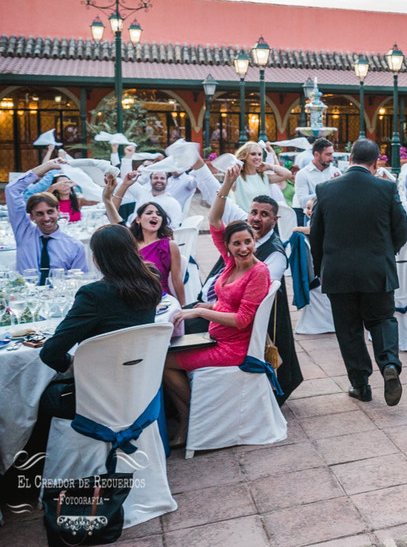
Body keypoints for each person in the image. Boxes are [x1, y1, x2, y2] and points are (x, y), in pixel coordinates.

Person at [24, 225, 161, 481]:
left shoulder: (94, 295)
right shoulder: (151, 280)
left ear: (97, 259)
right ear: (132, 250)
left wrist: (75, 364)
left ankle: (33, 475)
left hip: (99, 397)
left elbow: (51, 353)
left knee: (38, 396)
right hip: (140, 390)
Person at [187, 161, 302, 403]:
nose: (257, 218)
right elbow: (215, 217)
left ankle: (188, 404)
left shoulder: (273, 256)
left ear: (275, 219)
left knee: (176, 336)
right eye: (253, 212)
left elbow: (251, 306)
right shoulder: (245, 233)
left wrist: (208, 309)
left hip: (232, 325)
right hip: (213, 307)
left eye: (264, 214)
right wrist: (227, 184)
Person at [163, 201, 272, 446]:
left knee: (164, 364)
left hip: (232, 348)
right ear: (229, 247)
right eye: (237, 243)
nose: (244, 248)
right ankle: (191, 418)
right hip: (216, 339)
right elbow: (213, 224)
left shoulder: (258, 272)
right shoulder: (233, 263)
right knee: (166, 352)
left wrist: (201, 314)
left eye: (248, 242)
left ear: (255, 241)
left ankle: (194, 417)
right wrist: (208, 306)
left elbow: (242, 320)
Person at [312, 139, 407, 406]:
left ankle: (360, 384)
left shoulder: (325, 189)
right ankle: (389, 364)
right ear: (376, 162)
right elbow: (403, 229)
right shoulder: (386, 188)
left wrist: (321, 269)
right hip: (377, 271)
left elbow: (316, 236)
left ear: (350, 157)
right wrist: (386, 253)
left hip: (338, 273)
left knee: (349, 329)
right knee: (382, 320)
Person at [4, 159, 88, 283]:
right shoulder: (24, 233)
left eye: (50, 212)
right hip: (27, 297)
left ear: (58, 211)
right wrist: (47, 167)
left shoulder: (75, 247)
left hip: (58, 299)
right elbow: (12, 189)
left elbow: (79, 283)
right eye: (39, 214)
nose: (46, 218)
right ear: (31, 217)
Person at [104, 174, 185, 300]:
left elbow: (177, 279)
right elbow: (112, 215)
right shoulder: (129, 240)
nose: (154, 216)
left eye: (158, 214)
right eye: (149, 213)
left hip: (160, 297)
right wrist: (122, 187)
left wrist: (183, 306)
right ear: (138, 220)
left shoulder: (169, 245)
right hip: (130, 296)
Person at [113, 170, 185, 229]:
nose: (159, 180)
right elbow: (127, 178)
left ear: (167, 182)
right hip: (133, 233)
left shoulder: (173, 203)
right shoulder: (142, 193)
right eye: (155, 178)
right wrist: (128, 157)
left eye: (162, 178)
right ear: (150, 181)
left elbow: (174, 227)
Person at [292, 138, 341, 222]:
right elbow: (303, 202)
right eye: (328, 155)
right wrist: (328, 190)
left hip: (333, 217)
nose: (332, 158)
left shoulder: (336, 172)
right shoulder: (303, 174)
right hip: (311, 218)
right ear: (316, 154)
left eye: (332, 154)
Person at [232, 140, 292, 209]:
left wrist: (269, 166)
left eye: (259, 154)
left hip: (265, 218)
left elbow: (287, 174)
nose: (257, 157)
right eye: (253, 154)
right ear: (244, 156)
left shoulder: (264, 177)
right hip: (245, 218)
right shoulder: (237, 177)